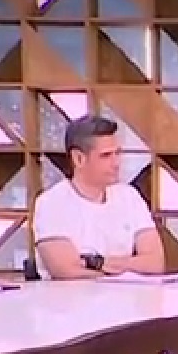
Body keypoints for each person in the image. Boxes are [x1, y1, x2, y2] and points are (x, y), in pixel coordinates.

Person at [31, 115, 166, 279]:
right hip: (74, 296)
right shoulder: (51, 203)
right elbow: (66, 271)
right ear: (78, 159)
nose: (116, 163)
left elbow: (155, 263)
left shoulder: (129, 196)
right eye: (106, 155)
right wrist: (130, 265)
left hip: (127, 294)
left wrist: (100, 263)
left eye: (117, 153)